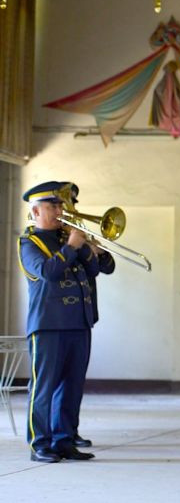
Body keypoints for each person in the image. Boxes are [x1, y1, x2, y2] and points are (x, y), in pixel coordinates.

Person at [18, 181, 98, 463]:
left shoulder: (67, 237)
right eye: (52, 206)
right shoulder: (29, 242)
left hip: (78, 322)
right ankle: (40, 443)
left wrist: (85, 245)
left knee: (72, 386)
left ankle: (65, 440)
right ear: (36, 211)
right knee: (44, 387)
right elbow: (47, 272)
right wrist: (71, 247)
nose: (59, 210)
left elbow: (96, 269)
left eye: (60, 205)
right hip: (48, 324)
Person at [61, 182, 108, 451]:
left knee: (75, 382)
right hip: (59, 318)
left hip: (83, 315)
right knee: (56, 384)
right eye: (65, 204)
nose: (70, 209)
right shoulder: (53, 240)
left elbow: (103, 268)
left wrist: (94, 248)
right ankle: (54, 437)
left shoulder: (78, 235)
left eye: (70, 204)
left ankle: (70, 432)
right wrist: (73, 245)